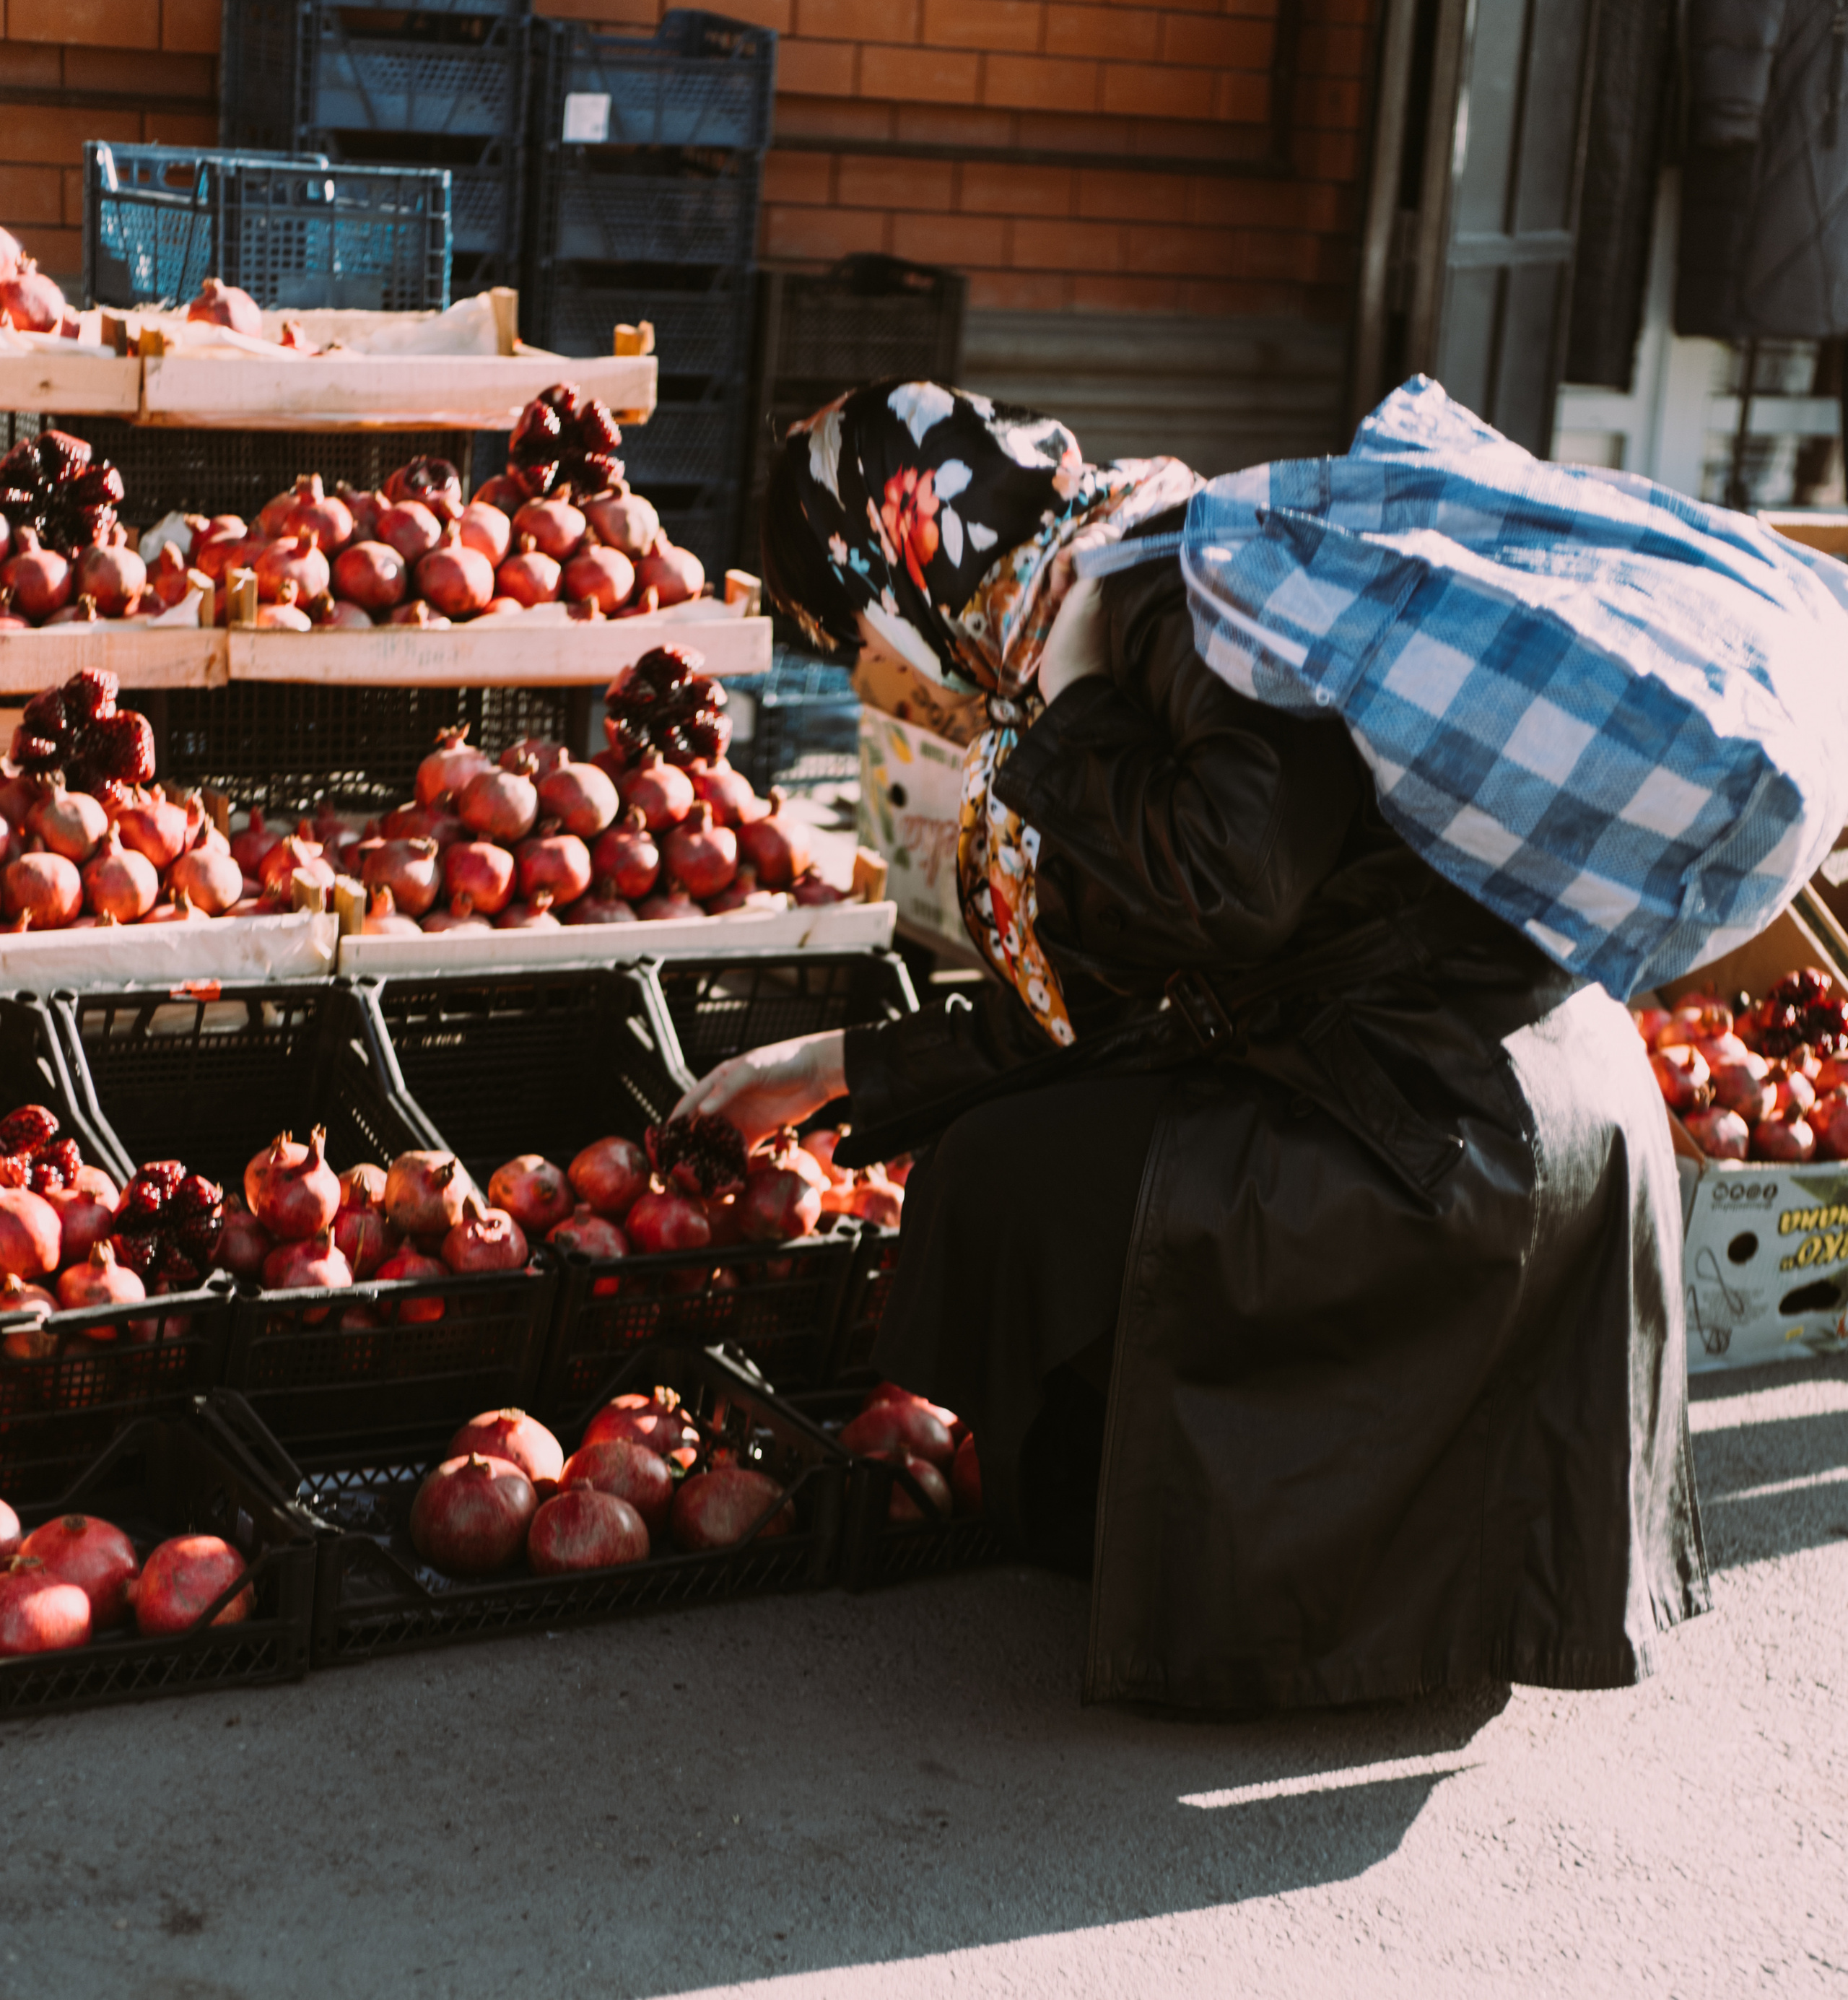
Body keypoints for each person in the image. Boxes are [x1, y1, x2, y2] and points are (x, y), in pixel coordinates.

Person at [676, 380, 1710, 1713]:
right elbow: (1108, 1002)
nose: (890, 671)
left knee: (1013, 1175)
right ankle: (1121, 1532)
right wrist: (826, 1068)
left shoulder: (1156, 592)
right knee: (1014, 1150)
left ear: (900, 559)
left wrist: (1081, 706)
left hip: (1457, 1117)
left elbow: (1240, 877)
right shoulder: (1116, 587)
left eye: (862, 635)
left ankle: (1218, 1580)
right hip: (1478, 1081)